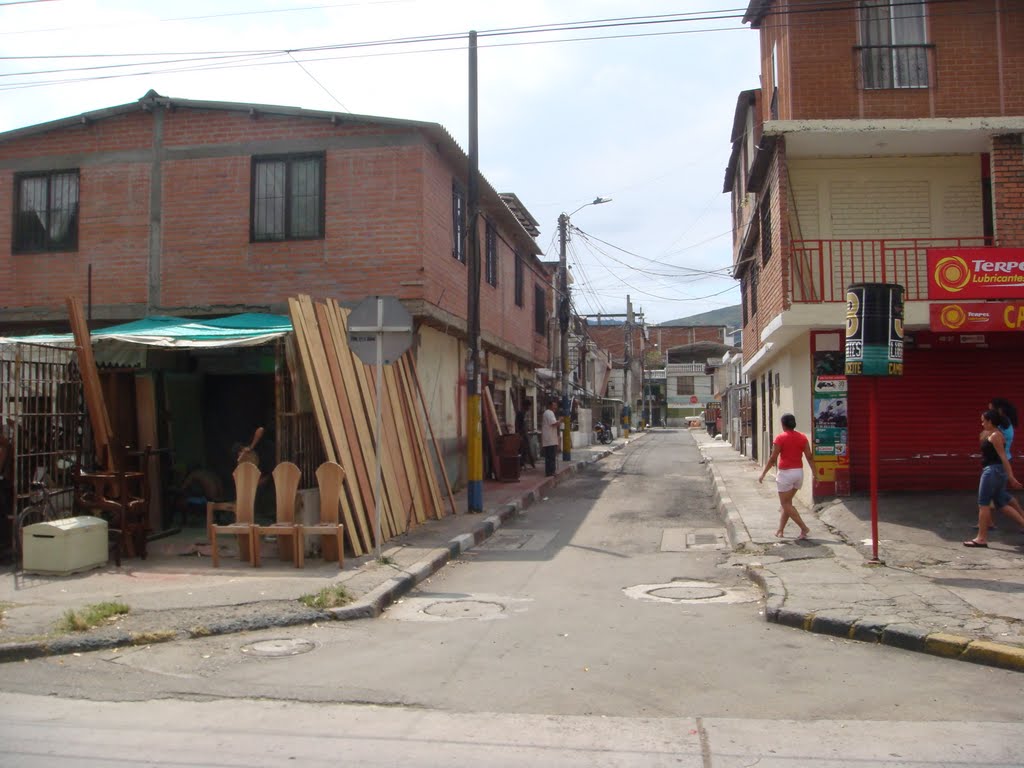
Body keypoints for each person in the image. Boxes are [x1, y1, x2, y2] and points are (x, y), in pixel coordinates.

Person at [965, 409, 1024, 547]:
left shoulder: (996, 436)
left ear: (991, 421)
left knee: (983, 504)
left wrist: (1011, 476)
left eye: (984, 421)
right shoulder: (991, 434)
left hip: (992, 471)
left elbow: (1003, 457)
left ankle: (981, 538)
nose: (982, 423)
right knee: (1001, 503)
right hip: (995, 471)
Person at [758, 413, 815, 540]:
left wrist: (763, 473)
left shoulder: (780, 438)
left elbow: (773, 458)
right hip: (798, 473)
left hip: (785, 474)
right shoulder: (803, 438)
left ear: (783, 424)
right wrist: (815, 473)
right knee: (787, 503)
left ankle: (804, 528)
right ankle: (780, 530)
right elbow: (809, 456)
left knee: (785, 504)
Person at [541, 399, 561, 477]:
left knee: (550, 456)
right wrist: (560, 420)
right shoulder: (549, 413)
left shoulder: (548, 413)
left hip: (550, 438)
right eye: (554, 405)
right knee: (551, 456)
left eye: (555, 405)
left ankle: (550, 471)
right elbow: (554, 423)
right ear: (550, 406)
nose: (555, 407)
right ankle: (551, 471)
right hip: (550, 439)